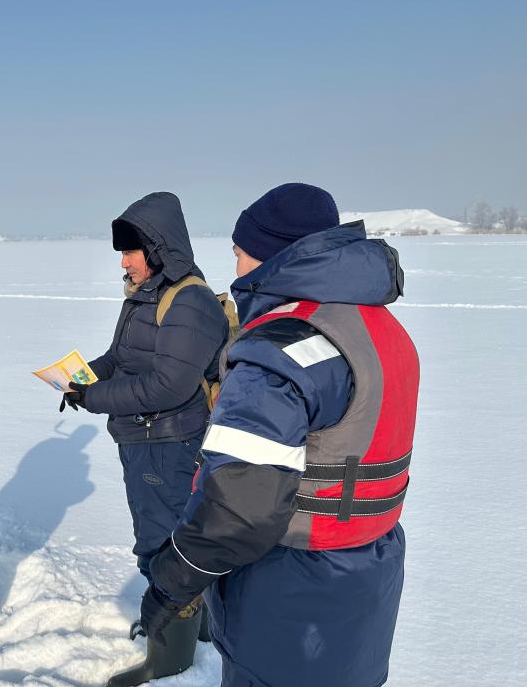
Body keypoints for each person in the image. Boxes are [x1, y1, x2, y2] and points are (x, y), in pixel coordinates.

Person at [141, 183, 418, 687]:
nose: (237, 268)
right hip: (369, 579)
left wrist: (169, 580)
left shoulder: (279, 348)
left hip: (291, 592)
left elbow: (240, 508)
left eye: (240, 253)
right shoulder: (380, 327)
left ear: (271, 257)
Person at [60, 192, 229, 686]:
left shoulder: (189, 301)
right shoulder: (147, 294)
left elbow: (168, 385)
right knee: (168, 535)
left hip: (169, 442)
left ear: (157, 249)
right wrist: (86, 377)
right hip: (144, 436)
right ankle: (189, 631)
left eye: (131, 251)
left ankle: (168, 659)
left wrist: (97, 398)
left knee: (163, 545)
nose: (124, 261)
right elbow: (121, 357)